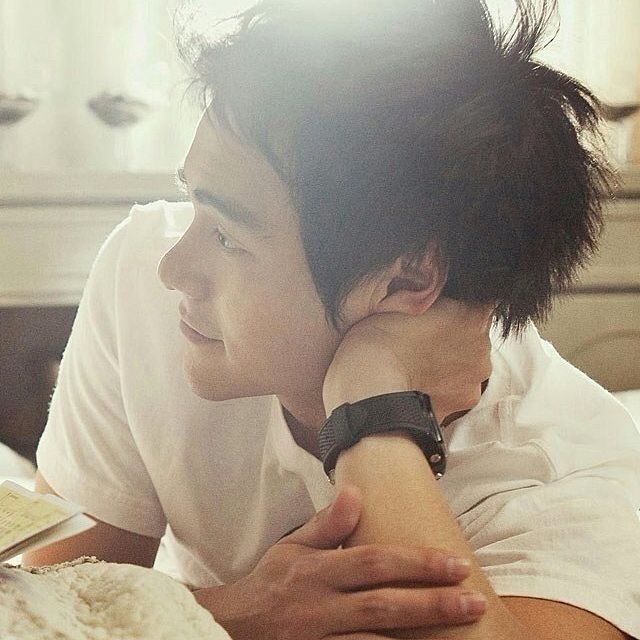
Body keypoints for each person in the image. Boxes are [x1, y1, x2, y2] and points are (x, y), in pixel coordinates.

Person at [24, 0, 640, 638]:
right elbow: (44, 610)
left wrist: (369, 395)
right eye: (193, 206)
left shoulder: (566, 475)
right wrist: (240, 613)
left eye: (228, 236)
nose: (173, 268)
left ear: (405, 280)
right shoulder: (142, 284)